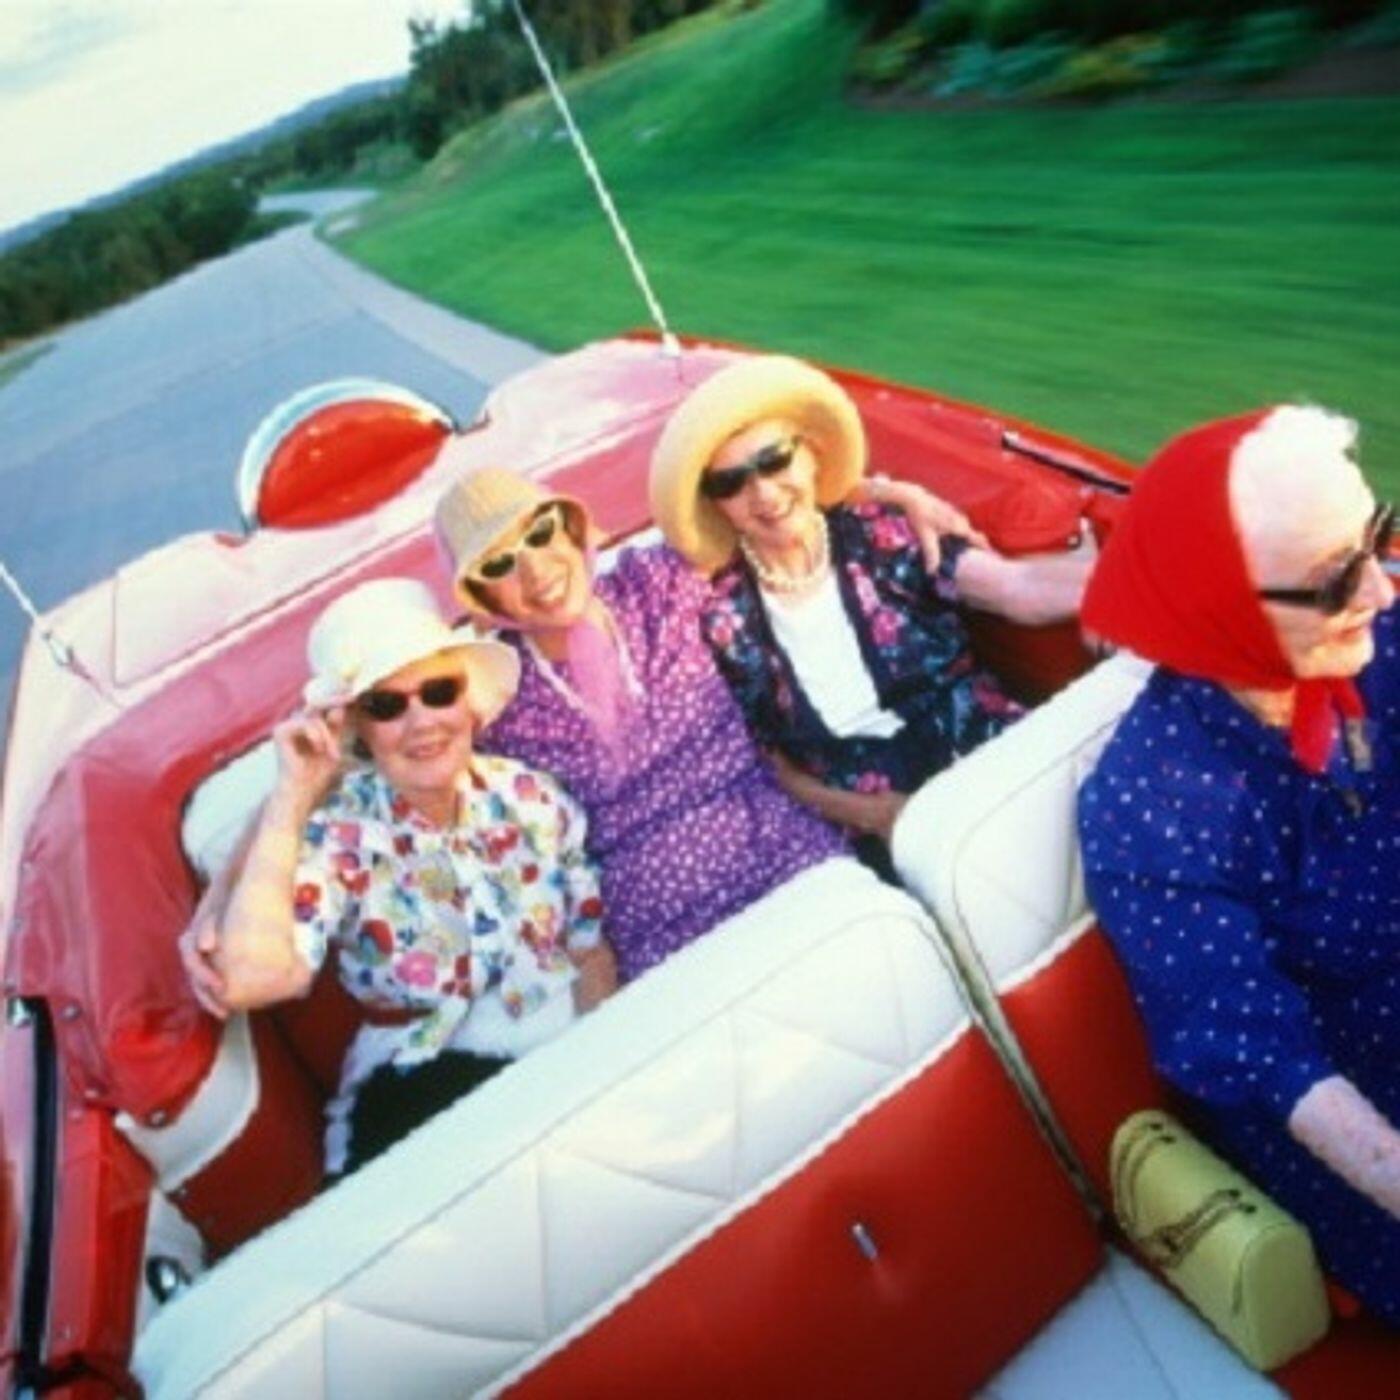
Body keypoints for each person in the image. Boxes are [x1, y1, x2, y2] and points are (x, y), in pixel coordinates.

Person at [1077, 405, 1399, 1323]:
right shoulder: (1150, 806)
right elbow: (1268, 1057)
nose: (1381, 589)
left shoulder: (1376, 641)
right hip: (1353, 1100)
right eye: (1336, 578)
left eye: (1377, 535)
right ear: (1220, 605)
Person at [183, 578, 613, 1176]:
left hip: (557, 1040)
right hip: (420, 1079)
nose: (421, 723)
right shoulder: (340, 835)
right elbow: (253, 979)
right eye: (387, 706)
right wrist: (292, 795)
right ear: (357, 728)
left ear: (467, 702)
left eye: (438, 692)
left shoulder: (531, 796)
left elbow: (589, 951)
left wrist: (603, 1059)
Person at [648, 355, 1092, 864]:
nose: (764, 493)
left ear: (811, 455)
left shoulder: (879, 531)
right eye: (730, 483)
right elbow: (764, 762)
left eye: (774, 460)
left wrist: (1122, 592)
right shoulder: (722, 617)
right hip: (860, 805)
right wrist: (872, 815)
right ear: (716, 504)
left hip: (974, 732)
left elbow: (1016, 587)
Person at [435, 464, 854, 982]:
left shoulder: (657, 581)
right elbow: (392, 736)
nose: (537, 571)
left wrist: (894, 492)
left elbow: (780, 516)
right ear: (484, 596)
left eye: (540, 533)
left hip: (775, 847)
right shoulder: (497, 697)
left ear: (570, 529)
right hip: (656, 925)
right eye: (500, 564)